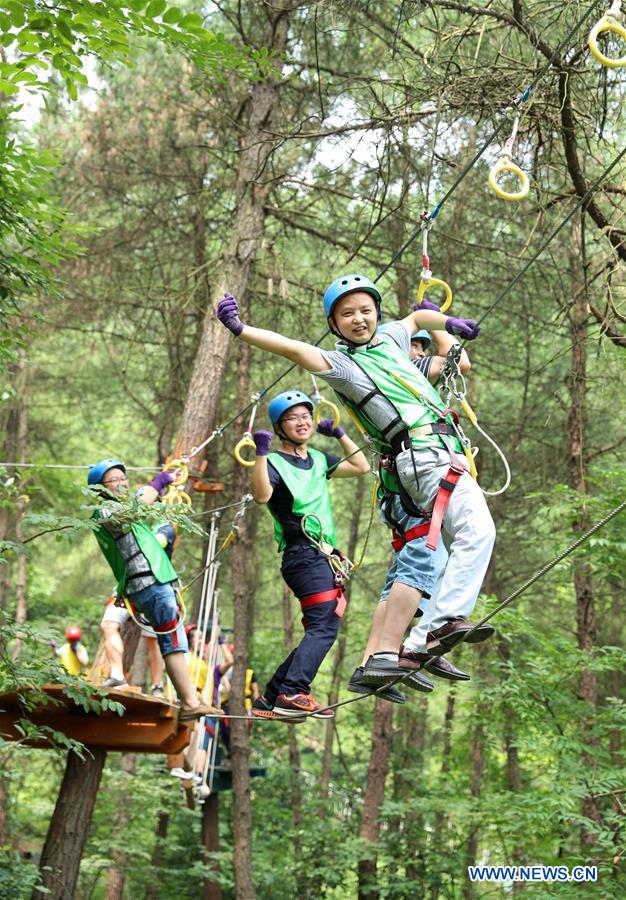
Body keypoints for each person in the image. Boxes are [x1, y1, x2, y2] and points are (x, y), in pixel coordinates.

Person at [215, 276, 496, 688]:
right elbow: (293, 348)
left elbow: (418, 316)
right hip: (420, 456)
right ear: (333, 323)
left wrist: (445, 323)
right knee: (470, 535)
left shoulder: (393, 339)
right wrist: (242, 330)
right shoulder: (342, 366)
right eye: (347, 314)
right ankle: (429, 631)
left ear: (377, 314)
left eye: (365, 310)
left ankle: (416, 641)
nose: (359, 319)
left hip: (439, 453)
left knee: (449, 547)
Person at [248, 389, 370, 719]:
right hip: (303, 555)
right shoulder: (273, 463)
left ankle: (271, 697)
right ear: (279, 427)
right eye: (293, 418)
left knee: (322, 625)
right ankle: (293, 691)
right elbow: (261, 496)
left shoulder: (318, 459)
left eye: (306, 416)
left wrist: (340, 434)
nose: (302, 422)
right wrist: (261, 453)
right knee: (324, 626)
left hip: (321, 555)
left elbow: (361, 466)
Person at [87, 458, 218, 722]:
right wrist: (157, 483)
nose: (122, 483)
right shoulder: (105, 513)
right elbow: (134, 510)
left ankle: (190, 699)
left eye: (123, 478)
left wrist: (164, 489)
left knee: (174, 641)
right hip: (147, 584)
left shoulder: (135, 514)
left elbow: (146, 511)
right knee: (171, 640)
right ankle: (189, 701)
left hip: (156, 582)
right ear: (100, 489)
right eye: (114, 480)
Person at [100, 520, 175, 693]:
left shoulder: (165, 527)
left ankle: (157, 685)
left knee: (153, 639)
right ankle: (117, 676)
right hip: (127, 585)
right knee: (109, 623)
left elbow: (155, 544)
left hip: (154, 585)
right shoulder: (130, 523)